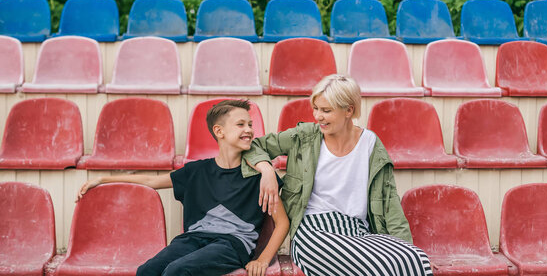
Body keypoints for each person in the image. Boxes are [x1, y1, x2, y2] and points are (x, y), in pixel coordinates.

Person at [242, 75, 433, 276]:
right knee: (378, 266)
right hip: (314, 232)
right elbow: (254, 146)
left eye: (326, 111)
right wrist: (266, 170)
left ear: (349, 110)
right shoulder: (305, 136)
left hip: (358, 231)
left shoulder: (370, 144)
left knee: (415, 258)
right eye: (316, 108)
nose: (318, 117)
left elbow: (389, 202)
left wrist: (403, 247)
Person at [78, 99, 289, 276]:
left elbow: (282, 223)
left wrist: (262, 260)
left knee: (177, 271)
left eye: (250, 124)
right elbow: (153, 182)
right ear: (219, 131)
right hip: (193, 239)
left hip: (232, 244)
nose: (249, 130)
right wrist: (103, 179)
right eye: (241, 124)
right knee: (147, 271)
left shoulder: (258, 175)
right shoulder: (196, 171)